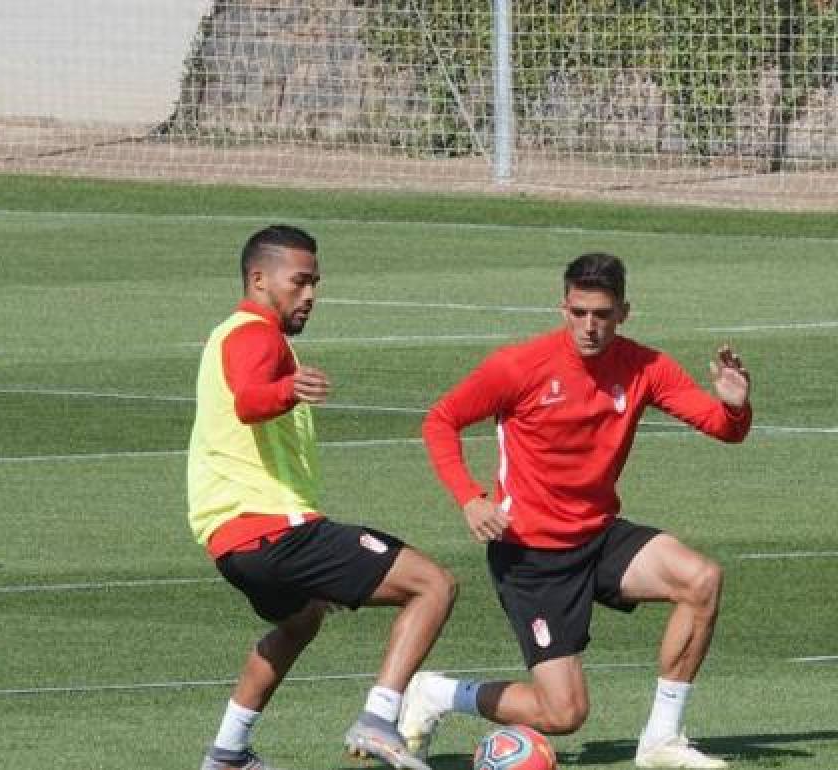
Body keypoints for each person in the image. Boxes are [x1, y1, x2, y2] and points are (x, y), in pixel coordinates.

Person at [401, 253, 750, 769]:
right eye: (579, 311)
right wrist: (470, 497)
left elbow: (724, 429)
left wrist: (735, 404)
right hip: (532, 554)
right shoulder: (519, 366)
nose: (590, 326)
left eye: (602, 314)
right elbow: (441, 420)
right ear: (563, 306)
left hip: (599, 535)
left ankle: (661, 741)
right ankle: (437, 694)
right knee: (563, 714)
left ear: (623, 312)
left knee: (701, 579)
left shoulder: (644, 367)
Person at [188, 225, 457, 770]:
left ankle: (228, 752)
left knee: (302, 619)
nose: (310, 295)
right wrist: (287, 389)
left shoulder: (232, 334)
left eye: (315, 283)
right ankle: (379, 718)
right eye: (300, 281)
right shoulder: (255, 334)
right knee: (433, 584)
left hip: (230, 543)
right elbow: (248, 400)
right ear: (259, 279)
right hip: (273, 529)